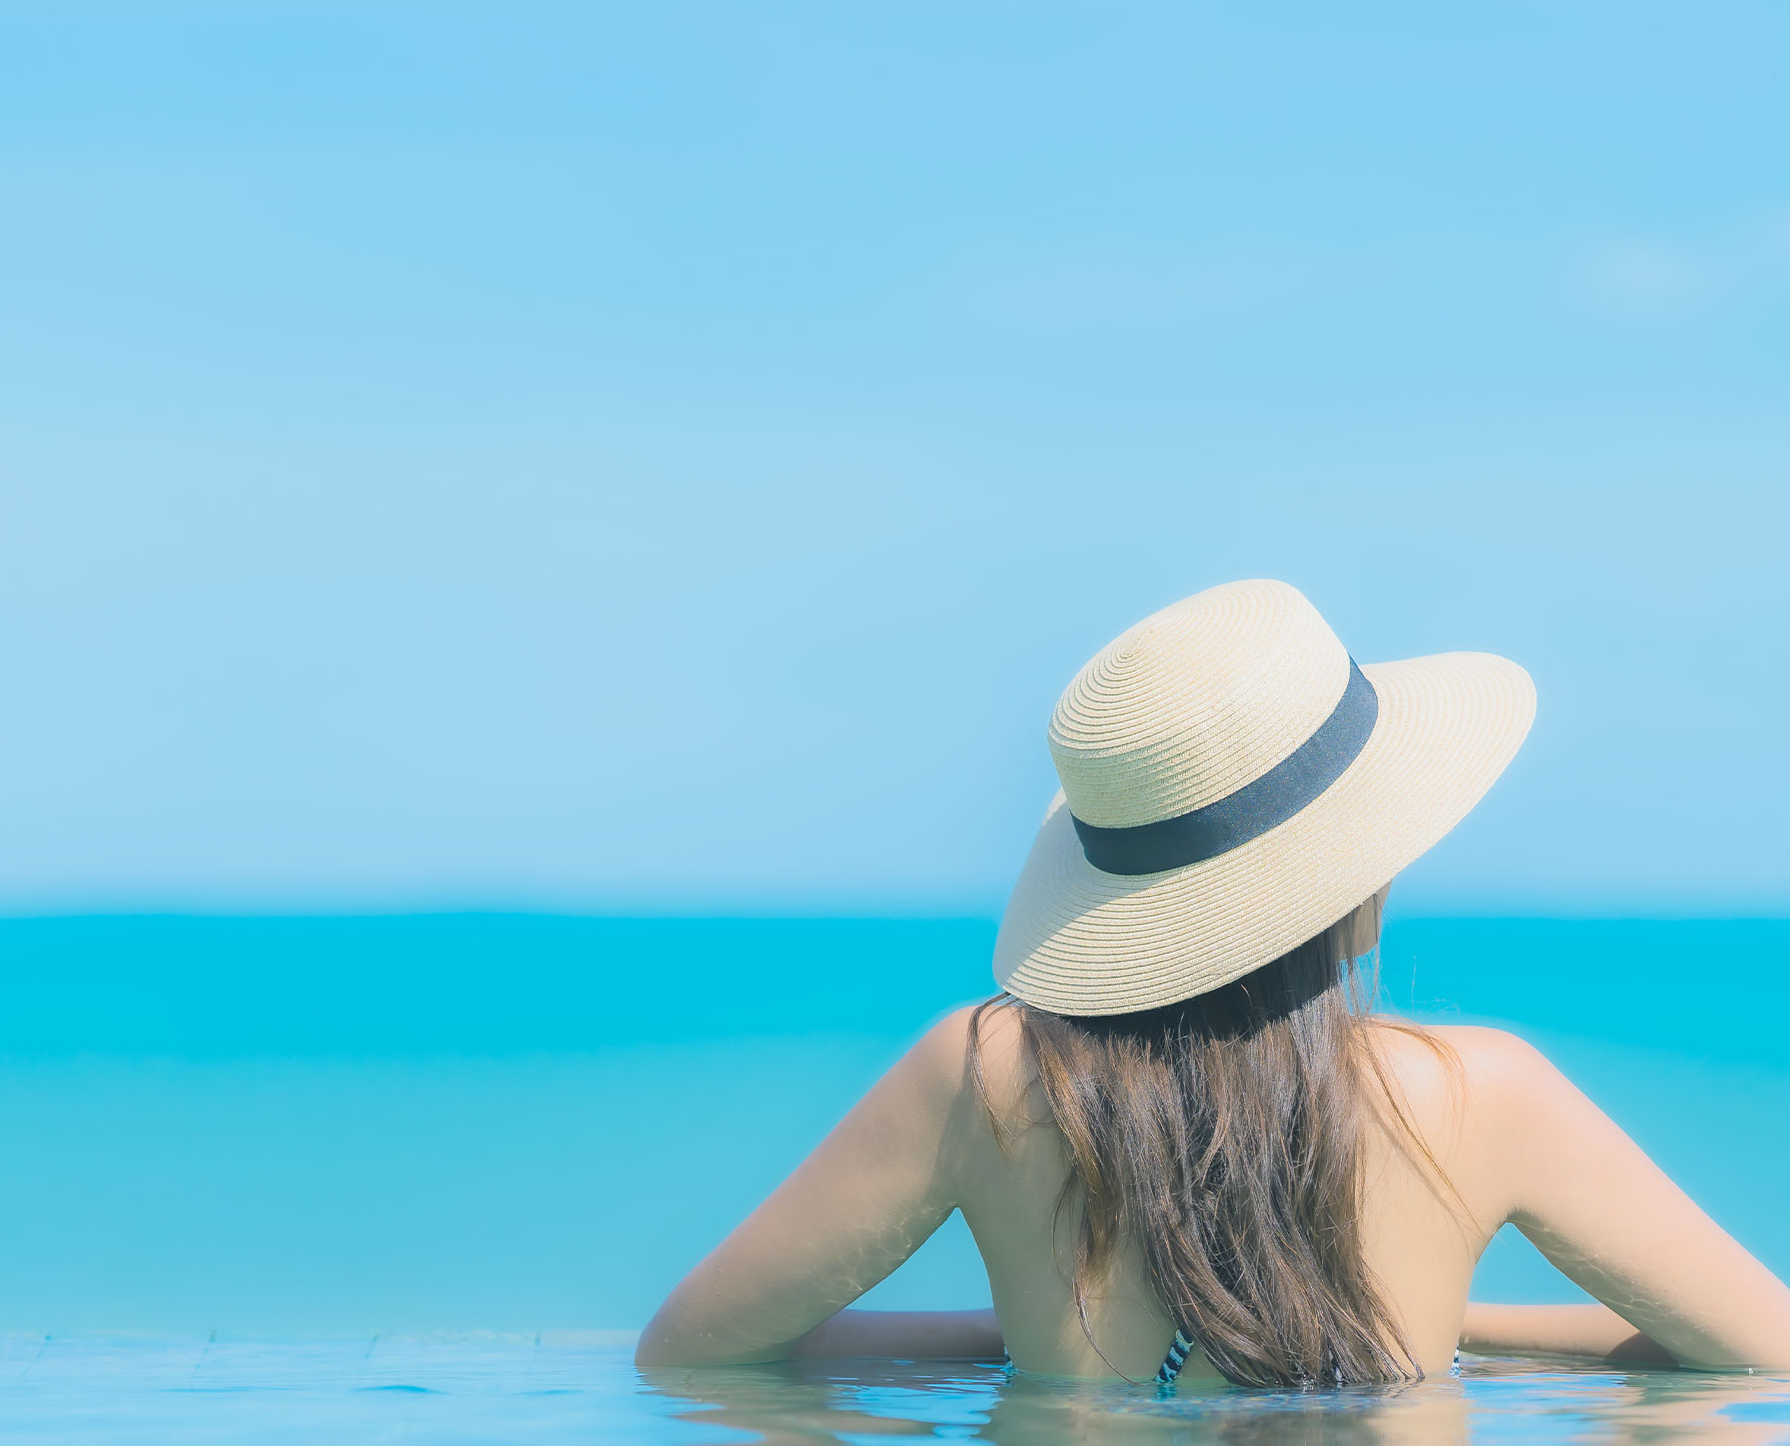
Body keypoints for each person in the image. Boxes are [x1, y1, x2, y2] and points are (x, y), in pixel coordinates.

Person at [639, 580, 1790, 1387]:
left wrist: (1032, 1337)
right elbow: (1768, 1355)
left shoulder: (982, 1075)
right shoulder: (1480, 1095)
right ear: (1352, 870)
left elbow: (691, 1353)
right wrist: (1431, 1332)